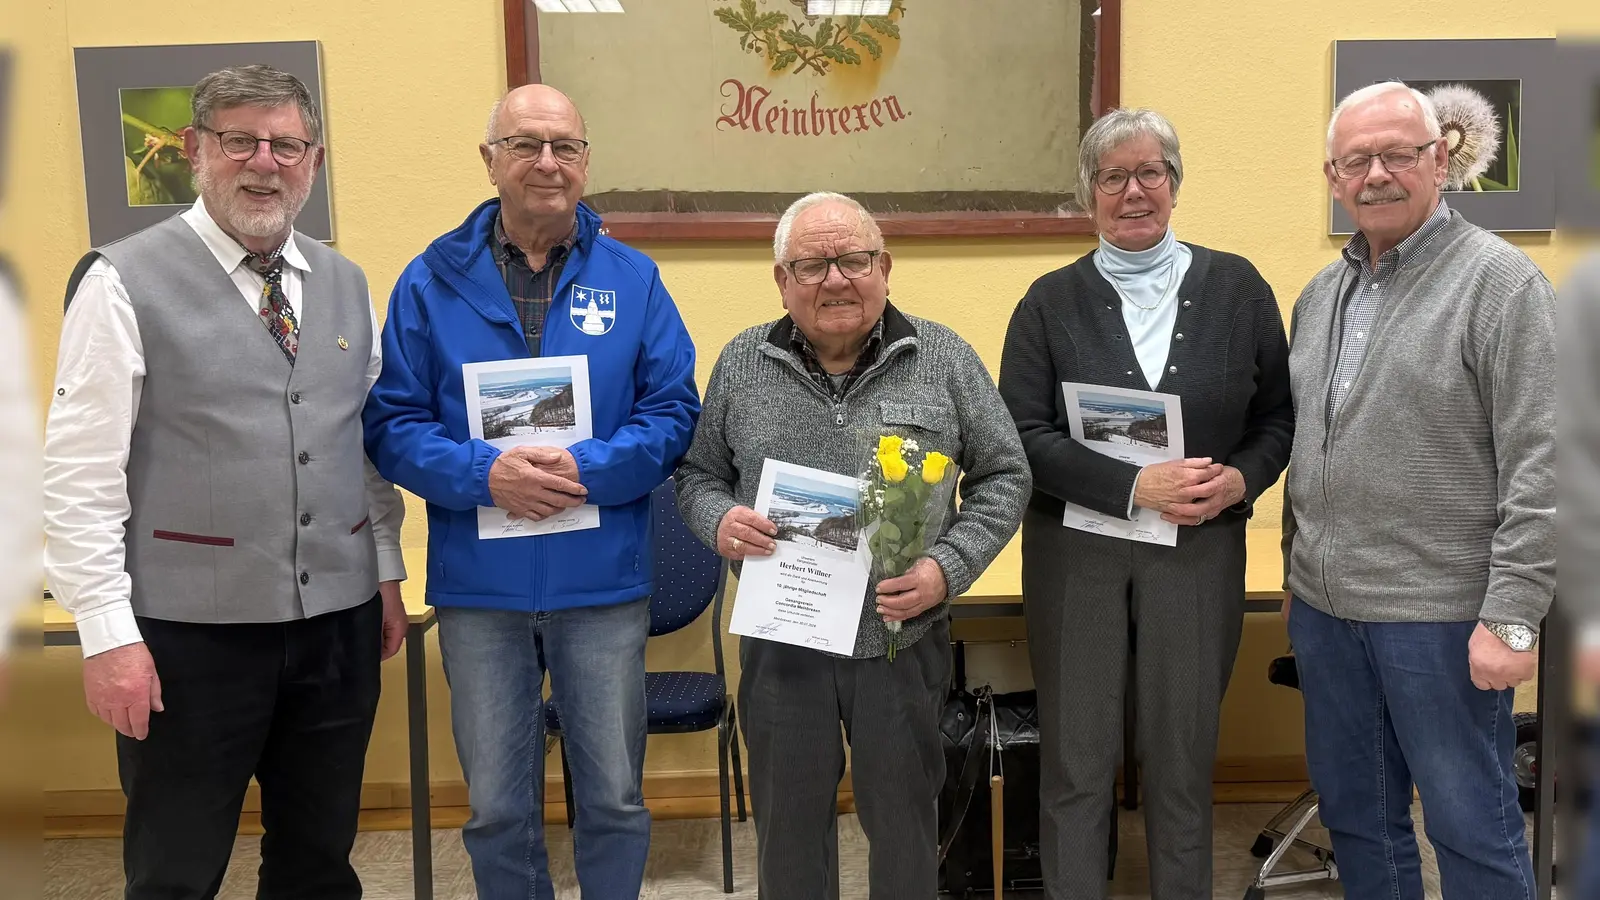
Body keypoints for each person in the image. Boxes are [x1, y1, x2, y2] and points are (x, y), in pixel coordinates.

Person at [42, 65, 408, 899]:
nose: (263, 162)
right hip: (187, 637)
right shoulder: (119, 282)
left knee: (319, 861)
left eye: (286, 144)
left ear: (313, 161)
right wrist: (106, 635)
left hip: (336, 627)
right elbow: (77, 476)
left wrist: (384, 570)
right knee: (176, 868)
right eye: (240, 140)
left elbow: (359, 449)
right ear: (197, 151)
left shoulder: (346, 284)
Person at [362, 83, 700, 899]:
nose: (548, 162)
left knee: (615, 797)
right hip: (482, 588)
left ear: (586, 163)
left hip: (601, 581)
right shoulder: (428, 281)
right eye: (525, 144)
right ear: (490, 161)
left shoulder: (636, 280)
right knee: (495, 806)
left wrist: (590, 467)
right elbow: (391, 422)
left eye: (566, 146)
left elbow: (674, 410)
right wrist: (486, 475)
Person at [676, 191, 1031, 900]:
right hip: (785, 646)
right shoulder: (742, 362)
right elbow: (696, 474)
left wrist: (946, 568)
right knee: (789, 834)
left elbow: (1005, 474)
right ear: (782, 279)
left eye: (854, 259)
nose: (835, 279)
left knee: (904, 829)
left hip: (902, 645)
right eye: (811, 264)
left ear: (885, 267)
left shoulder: (944, 358)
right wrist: (717, 519)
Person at [997, 107, 1293, 900]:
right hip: (1077, 558)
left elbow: (1278, 419)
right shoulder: (1047, 301)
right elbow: (1019, 433)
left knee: (1183, 758)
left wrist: (1241, 481)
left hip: (1197, 552)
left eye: (1149, 173)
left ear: (1175, 183)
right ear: (1089, 194)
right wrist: (1131, 487)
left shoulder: (1236, 289)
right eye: (1113, 177)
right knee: (1076, 759)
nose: (1133, 191)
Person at [1282, 81, 1554, 899]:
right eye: (1356, 159)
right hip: (1330, 616)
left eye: (1398, 154)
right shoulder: (1320, 297)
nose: (1377, 175)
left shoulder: (1501, 285)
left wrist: (1511, 616)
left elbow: (1545, 460)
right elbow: (1314, 447)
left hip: (1442, 619)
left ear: (1440, 159)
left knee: (1472, 825)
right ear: (1333, 175)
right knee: (1359, 820)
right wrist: (1303, 576)